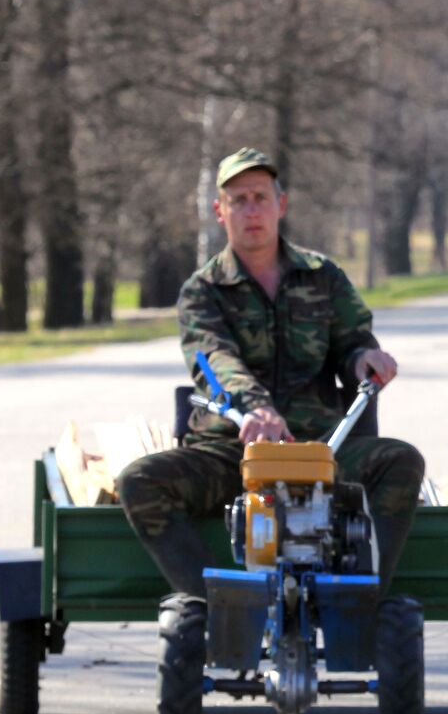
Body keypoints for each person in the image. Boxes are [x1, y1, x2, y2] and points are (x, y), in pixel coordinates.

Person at [118, 147, 424, 602]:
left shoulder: (324, 278)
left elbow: (352, 341)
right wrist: (254, 407)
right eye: (238, 200)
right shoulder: (201, 291)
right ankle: (216, 606)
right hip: (233, 455)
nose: (251, 210)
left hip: (321, 451)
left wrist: (365, 358)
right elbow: (212, 361)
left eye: (260, 196)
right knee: (139, 481)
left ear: (281, 205)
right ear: (220, 213)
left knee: (402, 461)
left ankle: (362, 599)